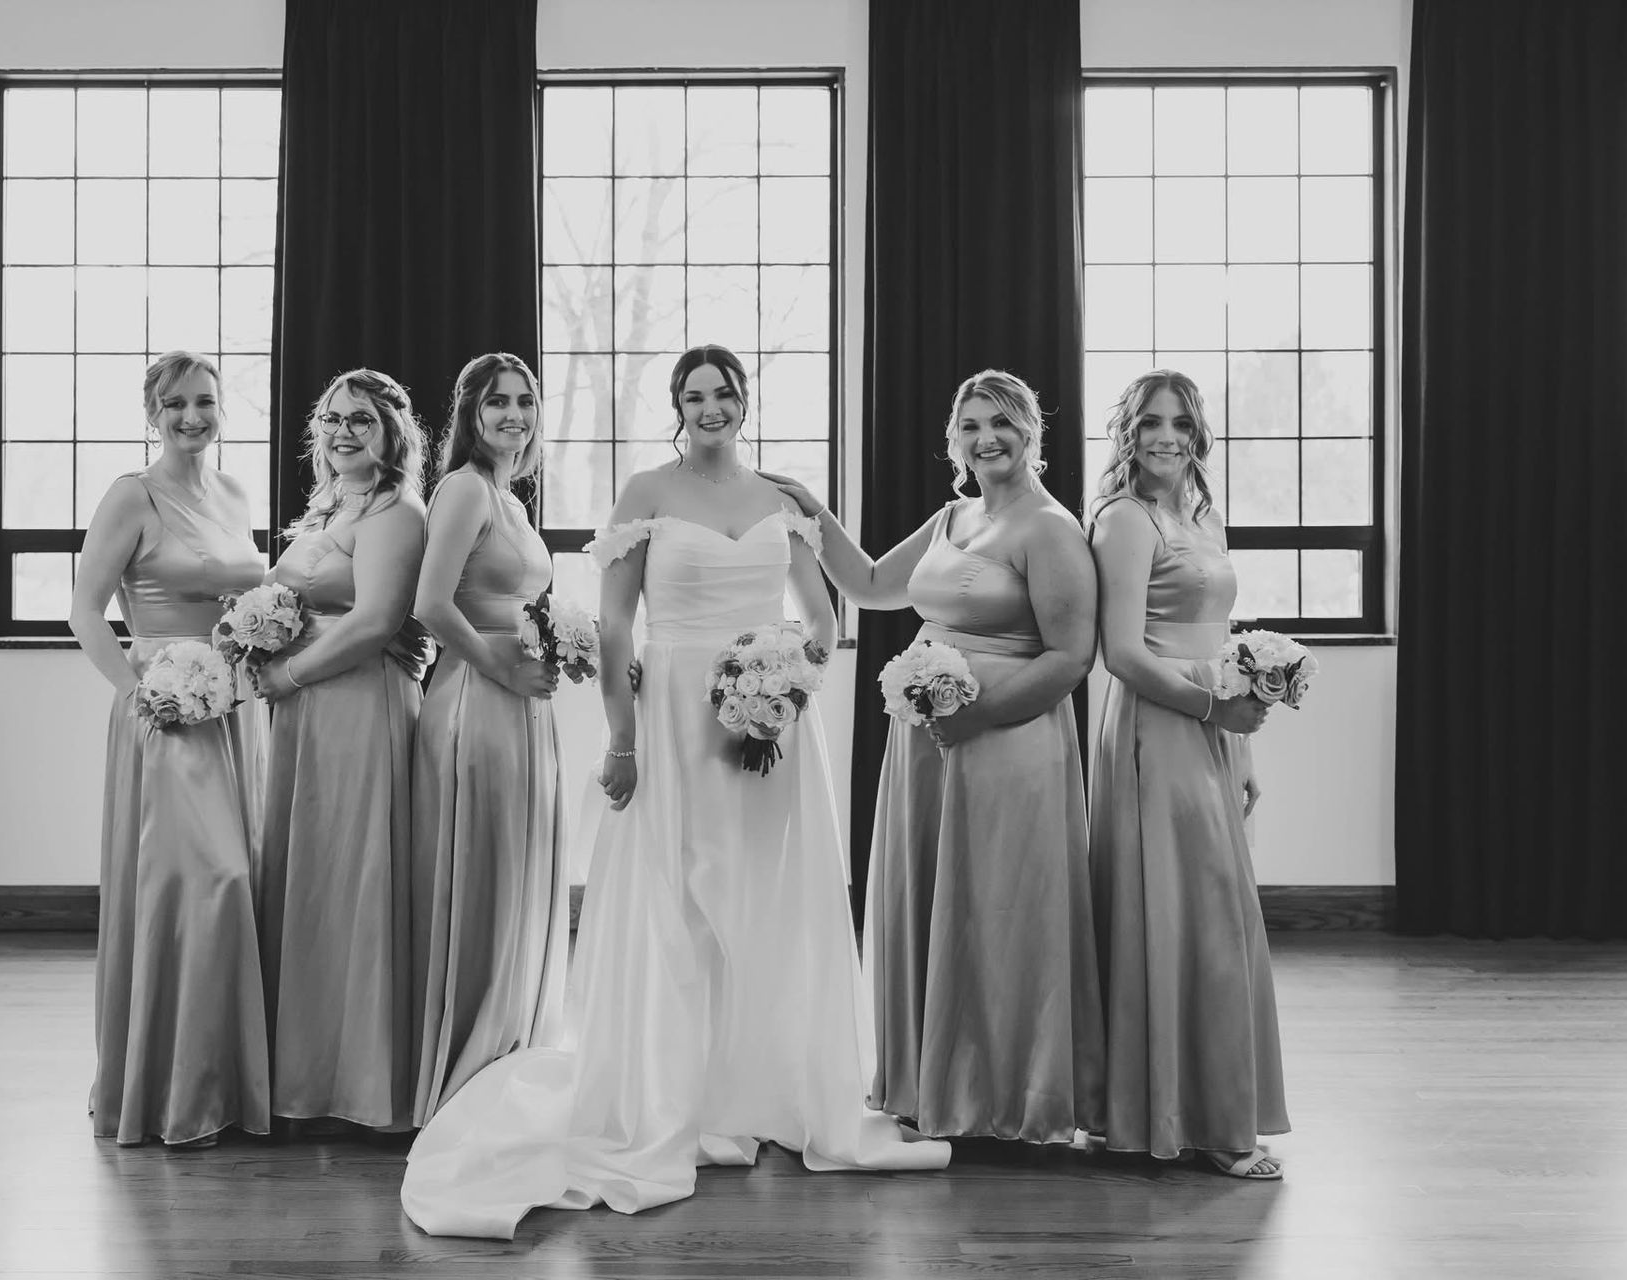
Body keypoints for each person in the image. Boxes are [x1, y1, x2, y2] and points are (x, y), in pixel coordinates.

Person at [401, 343, 949, 1239]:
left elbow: (824, 617)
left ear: (743, 401)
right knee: (675, 905)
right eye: (693, 396)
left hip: (767, 727)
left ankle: (767, 1089)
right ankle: (673, 1097)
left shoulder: (783, 499)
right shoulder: (645, 495)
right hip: (670, 723)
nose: (710, 408)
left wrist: (786, 683)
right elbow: (617, 629)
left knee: (770, 902)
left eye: (723, 393)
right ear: (676, 408)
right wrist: (621, 738)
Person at [765, 368, 1104, 1143]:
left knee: (1001, 913)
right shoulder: (954, 516)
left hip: (1007, 746)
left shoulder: (1048, 528)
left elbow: (1070, 657)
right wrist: (809, 511)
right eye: (972, 425)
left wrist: (977, 717)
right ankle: (937, 1082)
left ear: (1030, 433)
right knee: (939, 905)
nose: (987, 439)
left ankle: (1009, 1095)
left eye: (1002, 424)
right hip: (928, 744)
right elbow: (875, 583)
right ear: (955, 439)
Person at [1087, 368, 1288, 1180]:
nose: (1165, 435)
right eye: (1149, 423)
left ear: (1197, 431)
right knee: (1180, 914)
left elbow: (1217, 637)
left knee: (1212, 916)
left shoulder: (1198, 515)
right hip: (1156, 727)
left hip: (1208, 727)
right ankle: (1199, 1123)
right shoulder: (1126, 521)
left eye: (1178, 421)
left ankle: (1195, 1107)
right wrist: (1212, 716)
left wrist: (1242, 746)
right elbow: (1123, 652)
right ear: (1128, 435)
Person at [69, 350, 269, 1149]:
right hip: (163, 703)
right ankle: (165, 1088)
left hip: (230, 704)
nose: (193, 416)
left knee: (237, 882)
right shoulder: (132, 495)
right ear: (152, 412)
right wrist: (139, 691)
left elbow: (251, 595)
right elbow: (84, 612)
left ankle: (222, 1084)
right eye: (176, 403)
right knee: (201, 881)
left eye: (206, 402)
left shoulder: (233, 493)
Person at [252, 368, 432, 1133]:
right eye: (331, 419)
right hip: (306, 713)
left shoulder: (397, 510)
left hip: (359, 705)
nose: (343, 432)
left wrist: (285, 672)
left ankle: (359, 1084)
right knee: (312, 879)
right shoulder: (330, 504)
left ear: (394, 432)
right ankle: (303, 1071)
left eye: (361, 419)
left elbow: (376, 621)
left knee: (355, 879)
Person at [408, 353, 569, 1126]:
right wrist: (499, 668)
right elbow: (431, 603)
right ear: (470, 414)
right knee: (481, 871)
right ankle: (466, 1060)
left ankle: (509, 1042)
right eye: (497, 402)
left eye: (525, 402)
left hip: (521, 701)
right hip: (475, 698)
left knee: (514, 870)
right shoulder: (466, 488)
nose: (514, 415)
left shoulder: (511, 497)